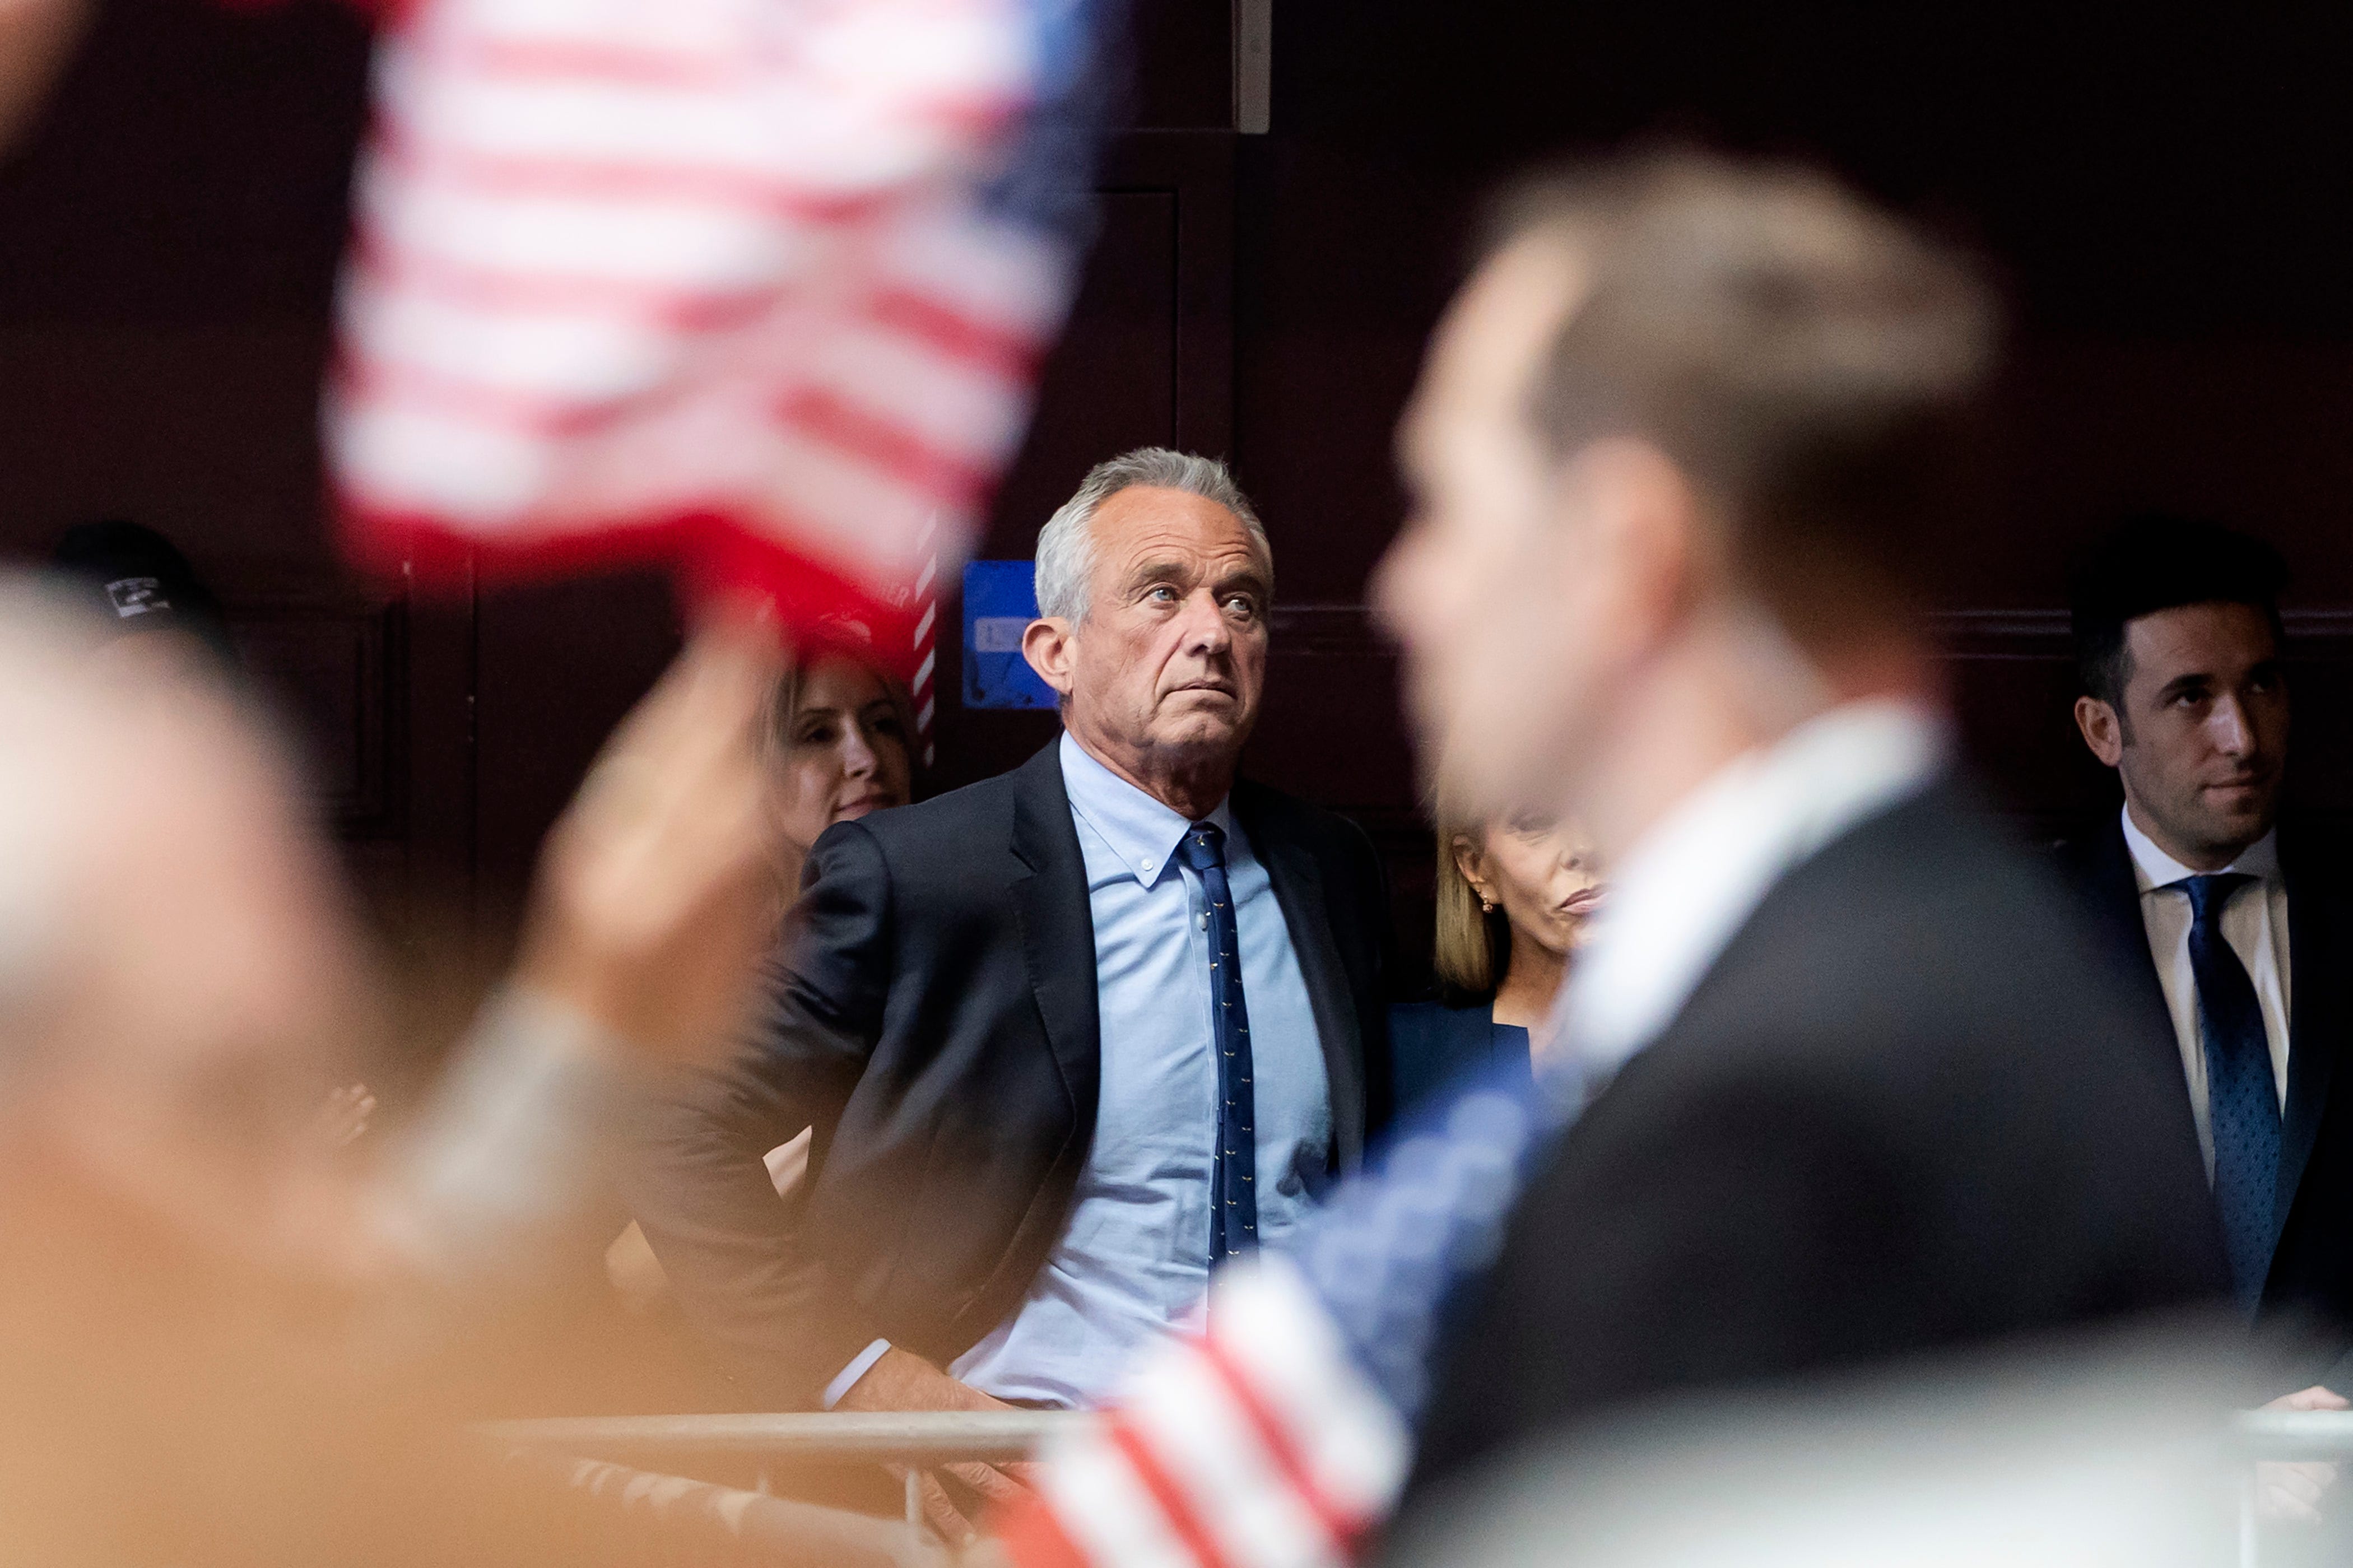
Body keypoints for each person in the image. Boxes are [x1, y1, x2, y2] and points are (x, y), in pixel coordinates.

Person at [995, 151, 2230, 1568]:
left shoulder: (1792, 1099)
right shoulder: (1914, 965)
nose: (1405, 583)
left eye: (1449, 503)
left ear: (1621, 551)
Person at [624, 446, 1396, 1462]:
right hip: (1013, 1470)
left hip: (1286, 1468)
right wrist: (869, 1384)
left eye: (1241, 602)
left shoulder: (1327, 864)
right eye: (1162, 594)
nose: (1211, 633)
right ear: (1053, 651)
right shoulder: (921, 873)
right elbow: (677, 1131)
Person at [2061, 515, 2353, 1520]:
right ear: (2104, 729)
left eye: (2263, 683)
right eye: (2192, 696)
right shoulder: (2017, 944)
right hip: (2104, 1499)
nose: (2243, 733)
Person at [1388, 795, 1601, 1110]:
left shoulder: (1696, 1034)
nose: (1584, 849)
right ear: (1476, 866)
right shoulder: (1404, 1056)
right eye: (1535, 823)